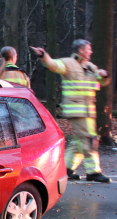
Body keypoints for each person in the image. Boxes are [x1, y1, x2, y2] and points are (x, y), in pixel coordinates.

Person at [31, 40, 111, 183]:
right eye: (88, 49)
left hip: (88, 111)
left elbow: (102, 82)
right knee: (89, 139)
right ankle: (93, 172)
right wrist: (43, 55)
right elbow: (53, 65)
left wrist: (104, 76)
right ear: (80, 51)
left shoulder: (91, 66)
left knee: (80, 140)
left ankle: (66, 168)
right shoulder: (68, 63)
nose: (91, 52)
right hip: (76, 109)